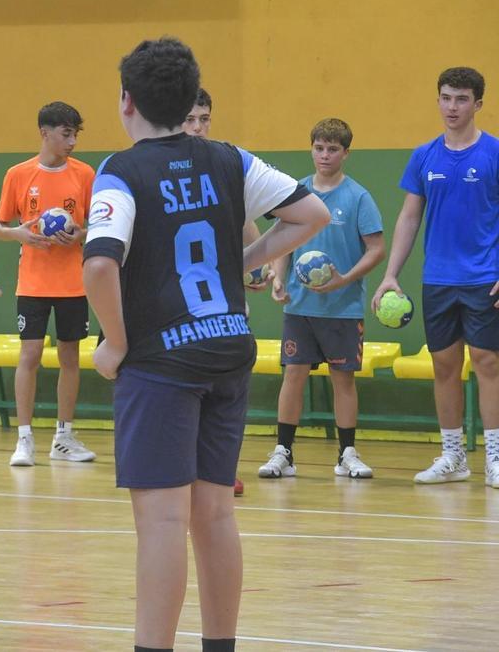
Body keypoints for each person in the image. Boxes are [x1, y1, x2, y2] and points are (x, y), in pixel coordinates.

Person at [83, 37, 328, 650]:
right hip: (228, 348)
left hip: (160, 360)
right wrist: (239, 264)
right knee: (214, 514)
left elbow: (99, 264)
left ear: (126, 101)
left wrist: (115, 342)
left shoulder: (120, 171)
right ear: (191, 97)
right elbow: (311, 215)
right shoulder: (230, 159)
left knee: (163, 520)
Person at [372, 67, 499, 486]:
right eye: (446, 97)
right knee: (444, 365)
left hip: (485, 276)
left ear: (478, 104)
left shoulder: (494, 153)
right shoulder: (424, 156)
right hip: (438, 280)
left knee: (488, 363)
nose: (452, 107)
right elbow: (410, 217)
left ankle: (495, 458)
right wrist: (391, 275)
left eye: (461, 99)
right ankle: (453, 457)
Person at [259, 118, 385, 479]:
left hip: (343, 309)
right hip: (300, 307)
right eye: (319, 148)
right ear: (311, 149)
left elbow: (376, 249)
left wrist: (344, 279)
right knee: (293, 374)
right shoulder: (297, 193)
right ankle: (284, 452)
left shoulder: (358, 197)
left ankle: (346, 454)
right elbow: (282, 242)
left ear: (346, 153)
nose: (325, 155)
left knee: (342, 379)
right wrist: (278, 278)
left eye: (332, 149)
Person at [0, 101, 96, 466]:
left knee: (70, 357)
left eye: (75, 135)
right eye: (66, 134)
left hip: (73, 283)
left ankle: (63, 438)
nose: (72, 142)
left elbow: (97, 224)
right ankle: (24, 439)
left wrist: (80, 234)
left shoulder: (85, 174)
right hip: (33, 283)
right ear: (45, 133)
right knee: (30, 355)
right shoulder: (18, 175)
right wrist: (19, 234)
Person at [183, 87, 252, 497]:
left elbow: (246, 222)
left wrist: (256, 264)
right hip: (178, 305)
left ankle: (222, 469)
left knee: (227, 391)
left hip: (224, 301)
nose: (198, 128)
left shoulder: (225, 164)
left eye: (204, 119)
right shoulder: (155, 167)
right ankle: (182, 469)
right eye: (190, 119)